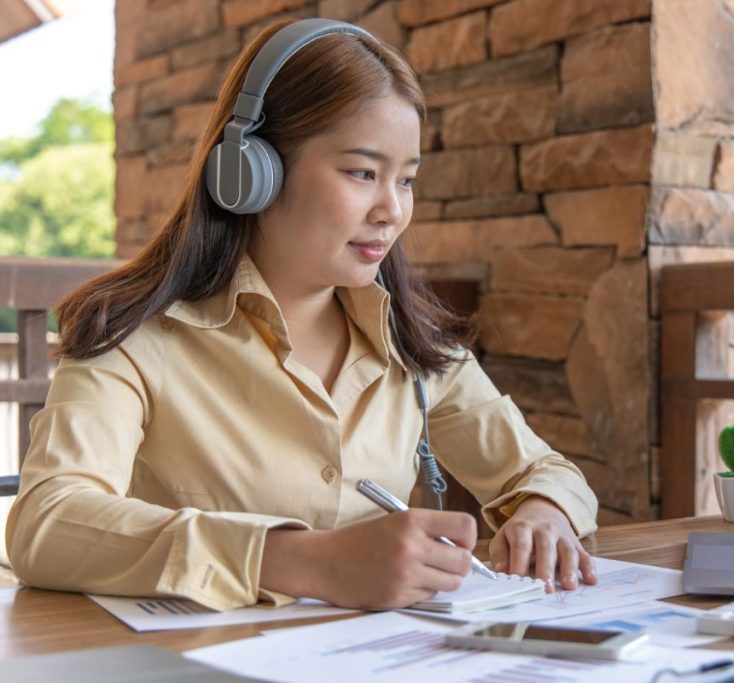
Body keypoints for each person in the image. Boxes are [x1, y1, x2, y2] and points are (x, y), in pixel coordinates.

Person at [6, 18, 598, 611]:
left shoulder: (413, 346)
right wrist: (298, 560)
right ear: (250, 173)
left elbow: (543, 471)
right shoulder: (135, 336)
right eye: (362, 173)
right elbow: (48, 522)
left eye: (408, 180)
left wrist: (545, 510)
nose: (392, 210)